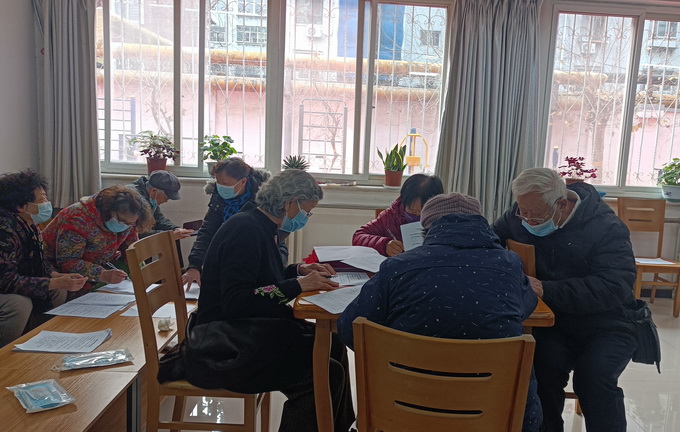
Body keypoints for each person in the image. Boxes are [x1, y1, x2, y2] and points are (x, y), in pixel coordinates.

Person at [339, 192, 542, 432]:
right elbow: (526, 308)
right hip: (494, 412)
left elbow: (350, 329)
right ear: (481, 224)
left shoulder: (397, 267)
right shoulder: (509, 265)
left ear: (426, 230)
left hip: (404, 408)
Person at [196, 169, 355, 432]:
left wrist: (298, 270)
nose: (306, 217)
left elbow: (262, 277)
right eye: (307, 211)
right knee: (326, 373)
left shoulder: (260, 224)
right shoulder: (245, 231)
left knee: (333, 343)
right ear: (290, 203)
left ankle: (339, 428)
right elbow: (237, 301)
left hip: (246, 329)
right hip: (225, 343)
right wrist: (297, 285)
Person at [492, 168, 638, 432]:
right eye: (523, 212)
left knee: (594, 379)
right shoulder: (519, 215)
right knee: (539, 374)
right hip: (553, 323)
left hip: (608, 323)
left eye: (537, 214)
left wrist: (547, 290)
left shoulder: (607, 227)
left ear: (561, 203)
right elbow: (491, 241)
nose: (528, 220)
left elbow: (613, 287)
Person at [0, 170, 87, 347]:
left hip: (12, 281)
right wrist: (51, 282)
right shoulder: (4, 231)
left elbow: (39, 260)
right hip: (4, 285)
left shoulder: (29, 225)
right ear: (21, 206)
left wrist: (55, 276)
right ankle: (5, 354)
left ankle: (36, 341)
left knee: (58, 290)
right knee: (18, 304)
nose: (47, 204)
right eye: (42, 199)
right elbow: (5, 280)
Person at [182, 157, 288, 289]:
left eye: (225, 183)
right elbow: (207, 232)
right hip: (233, 254)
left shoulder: (263, 199)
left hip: (266, 253)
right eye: (218, 182)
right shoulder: (218, 197)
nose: (220, 187)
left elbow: (274, 239)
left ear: (243, 182)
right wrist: (194, 266)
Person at [42, 185, 155, 293]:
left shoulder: (127, 220)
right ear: (109, 210)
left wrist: (140, 269)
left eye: (131, 223)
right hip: (54, 268)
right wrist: (102, 274)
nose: (126, 226)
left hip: (100, 262)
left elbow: (131, 248)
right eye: (122, 221)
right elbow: (68, 262)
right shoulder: (77, 219)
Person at [352, 173, 443, 256]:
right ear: (403, 201)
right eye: (411, 210)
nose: (417, 216)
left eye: (423, 212)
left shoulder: (445, 221)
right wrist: (384, 245)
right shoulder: (390, 217)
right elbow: (358, 236)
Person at [126, 170, 194, 240]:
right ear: (154, 191)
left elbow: (159, 219)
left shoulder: (152, 197)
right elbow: (138, 232)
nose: (166, 201)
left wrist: (175, 229)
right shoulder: (131, 199)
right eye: (166, 198)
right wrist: (168, 235)